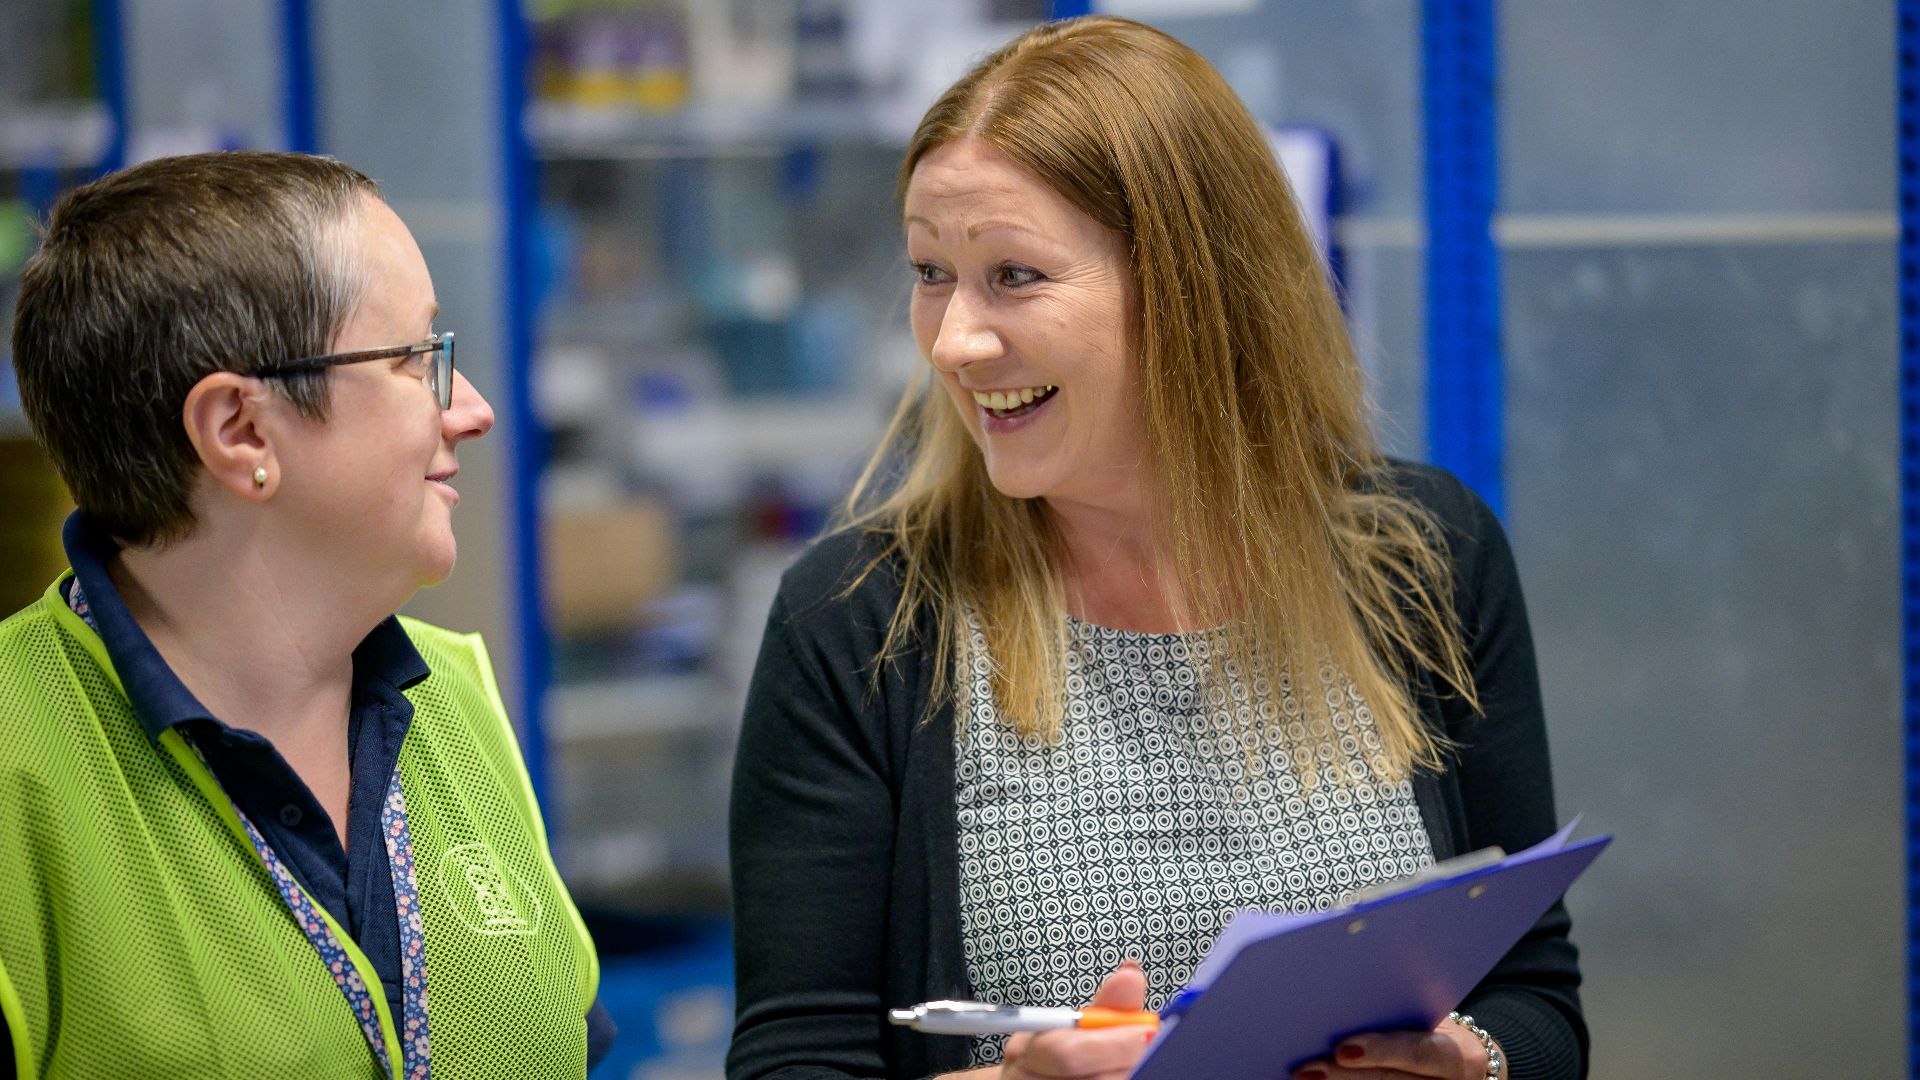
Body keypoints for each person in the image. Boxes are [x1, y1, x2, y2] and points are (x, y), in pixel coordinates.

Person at [728, 16, 1584, 1080]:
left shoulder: (1424, 559)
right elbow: (794, 1059)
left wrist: (1469, 1061)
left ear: (1194, 286)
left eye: (1014, 275)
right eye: (931, 271)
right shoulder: (859, 622)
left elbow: (1535, 996)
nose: (953, 341)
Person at [0, 151, 614, 1078]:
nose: (475, 410)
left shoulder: (456, 701)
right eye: (416, 360)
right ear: (241, 430)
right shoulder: (21, 761)